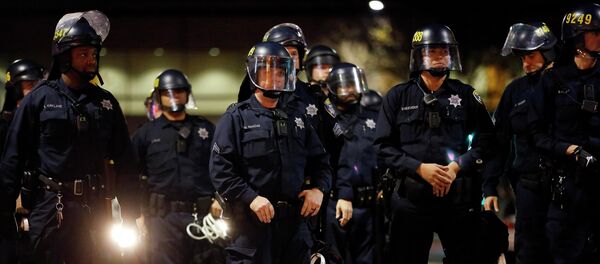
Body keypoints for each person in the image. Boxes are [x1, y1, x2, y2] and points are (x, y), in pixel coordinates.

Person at [0, 10, 139, 263]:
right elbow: (13, 159)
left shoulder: (105, 103)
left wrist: (131, 213)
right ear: (64, 56)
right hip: (49, 207)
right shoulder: (38, 100)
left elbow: (125, 163)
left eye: (94, 54)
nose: (91, 60)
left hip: (94, 211)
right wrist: (5, 212)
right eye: (83, 54)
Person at [374, 24, 494, 264]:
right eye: (432, 52)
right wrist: (420, 169)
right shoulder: (397, 96)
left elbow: (488, 141)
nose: (440, 57)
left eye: (445, 52)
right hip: (411, 200)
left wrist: (456, 167)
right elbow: (382, 148)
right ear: (419, 56)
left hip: (457, 199)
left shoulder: (467, 95)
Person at [210, 41, 332, 264]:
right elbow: (221, 172)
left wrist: (318, 189)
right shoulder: (236, 118)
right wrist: (252, 198)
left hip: (295, 229)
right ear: (254, 73)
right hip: (251, 227)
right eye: (267, 71)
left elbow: (322, 163)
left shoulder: (299, 118)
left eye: (280, 72)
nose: (274, 78)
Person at [528, 3, 600, 262]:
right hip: (568, 184)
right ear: (578, 37)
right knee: (565, 251)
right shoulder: (553, 80)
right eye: (596, 32)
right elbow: (536, 134)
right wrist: (568, 150)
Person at [482, 22, 558, 264]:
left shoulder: (568, 85)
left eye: (531, 56)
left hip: (568, 186)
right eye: (523, 57)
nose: (526, 64)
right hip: (529, 187)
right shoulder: (515, 91)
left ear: (547, 52)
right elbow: (500, 141)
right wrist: (489, 186)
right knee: (528, 252)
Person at [132, 69, 224, 263]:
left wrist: (220, 199)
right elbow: (131, 175)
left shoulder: (205, 129)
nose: (174, 96)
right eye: (168, 93)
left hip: (203, 217)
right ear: (159, 96)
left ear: (187, 93)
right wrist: (137, 214)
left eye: (179, 91)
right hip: (162, 219)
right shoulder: (145, 134)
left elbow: (223, 167)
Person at [323, 62, 377, 264]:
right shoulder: (327, 121)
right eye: (343, 86)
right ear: (333, 89)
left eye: (353, 84)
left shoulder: (373, 118)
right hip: (336, 204)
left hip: (370, 206)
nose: (350, 91)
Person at [0, 58, 44, 264]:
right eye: (30, 85)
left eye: (38, 85)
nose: (35, 91)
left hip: (43, 205)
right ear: (15, 89)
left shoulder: (46, 123)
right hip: (8, 211)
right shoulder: (3, 125)